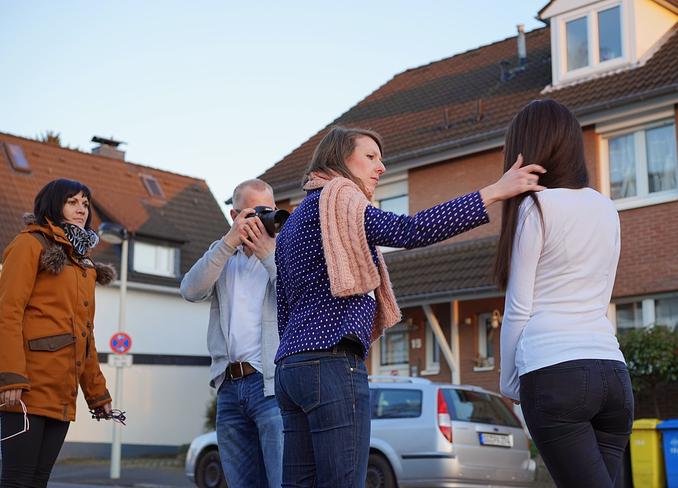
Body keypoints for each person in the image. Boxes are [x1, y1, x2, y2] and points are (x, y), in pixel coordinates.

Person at [274, 125, 545, 487]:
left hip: (290, 366)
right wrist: (495, 191)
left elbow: (283, 306)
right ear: (338, 160)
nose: (381, 167)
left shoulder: (293, 222)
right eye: (370, 156)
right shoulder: (341, 195)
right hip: (331, 363)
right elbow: (411, 230)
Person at [495, 99, 633, 488]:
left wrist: (508, 379)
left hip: (554, 373)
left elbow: (519, 307)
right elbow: (602, 295)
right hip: (613, 375)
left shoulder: (535, 206)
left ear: (525, 148)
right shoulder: (607, 207)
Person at [0, 179, 115, 488]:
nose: (81, 209)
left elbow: (85, 335)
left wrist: (97, 393)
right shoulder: (30, 244)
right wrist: (9, 375)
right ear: (54, 204)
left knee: (38, 481)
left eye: (85, 204)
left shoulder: (83, 264)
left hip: (63, 393)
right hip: (25, 388)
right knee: (16, 482)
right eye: (72, 201)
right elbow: (7, 312)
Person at [181, 179, 284, 488]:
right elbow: (190, 289)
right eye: (255, 212)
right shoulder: (223, 255)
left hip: (271, 386)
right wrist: (227, 243)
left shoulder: (285, 252)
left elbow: (298, 295)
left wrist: (268, 254)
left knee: (281, 481)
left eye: (270, 210)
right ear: (235, 215)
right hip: (229, 387)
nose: (264, 219)